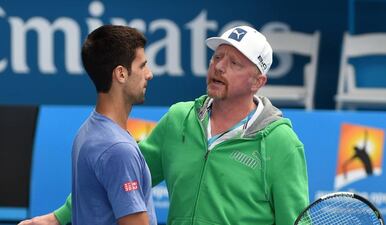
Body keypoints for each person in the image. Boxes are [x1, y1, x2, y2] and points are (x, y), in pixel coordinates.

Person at [18, 25, 308, 225]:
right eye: (217, 57)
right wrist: (59, 216)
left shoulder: (281, 143)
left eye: (235, 63)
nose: (219, 67)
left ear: (258, 82)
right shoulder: (179, 119)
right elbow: (122, 177)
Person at [34, 25, 156, 225]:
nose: (149, 74)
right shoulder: (118, 149)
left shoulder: (88, 131)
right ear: (121, 74)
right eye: (142, 66)